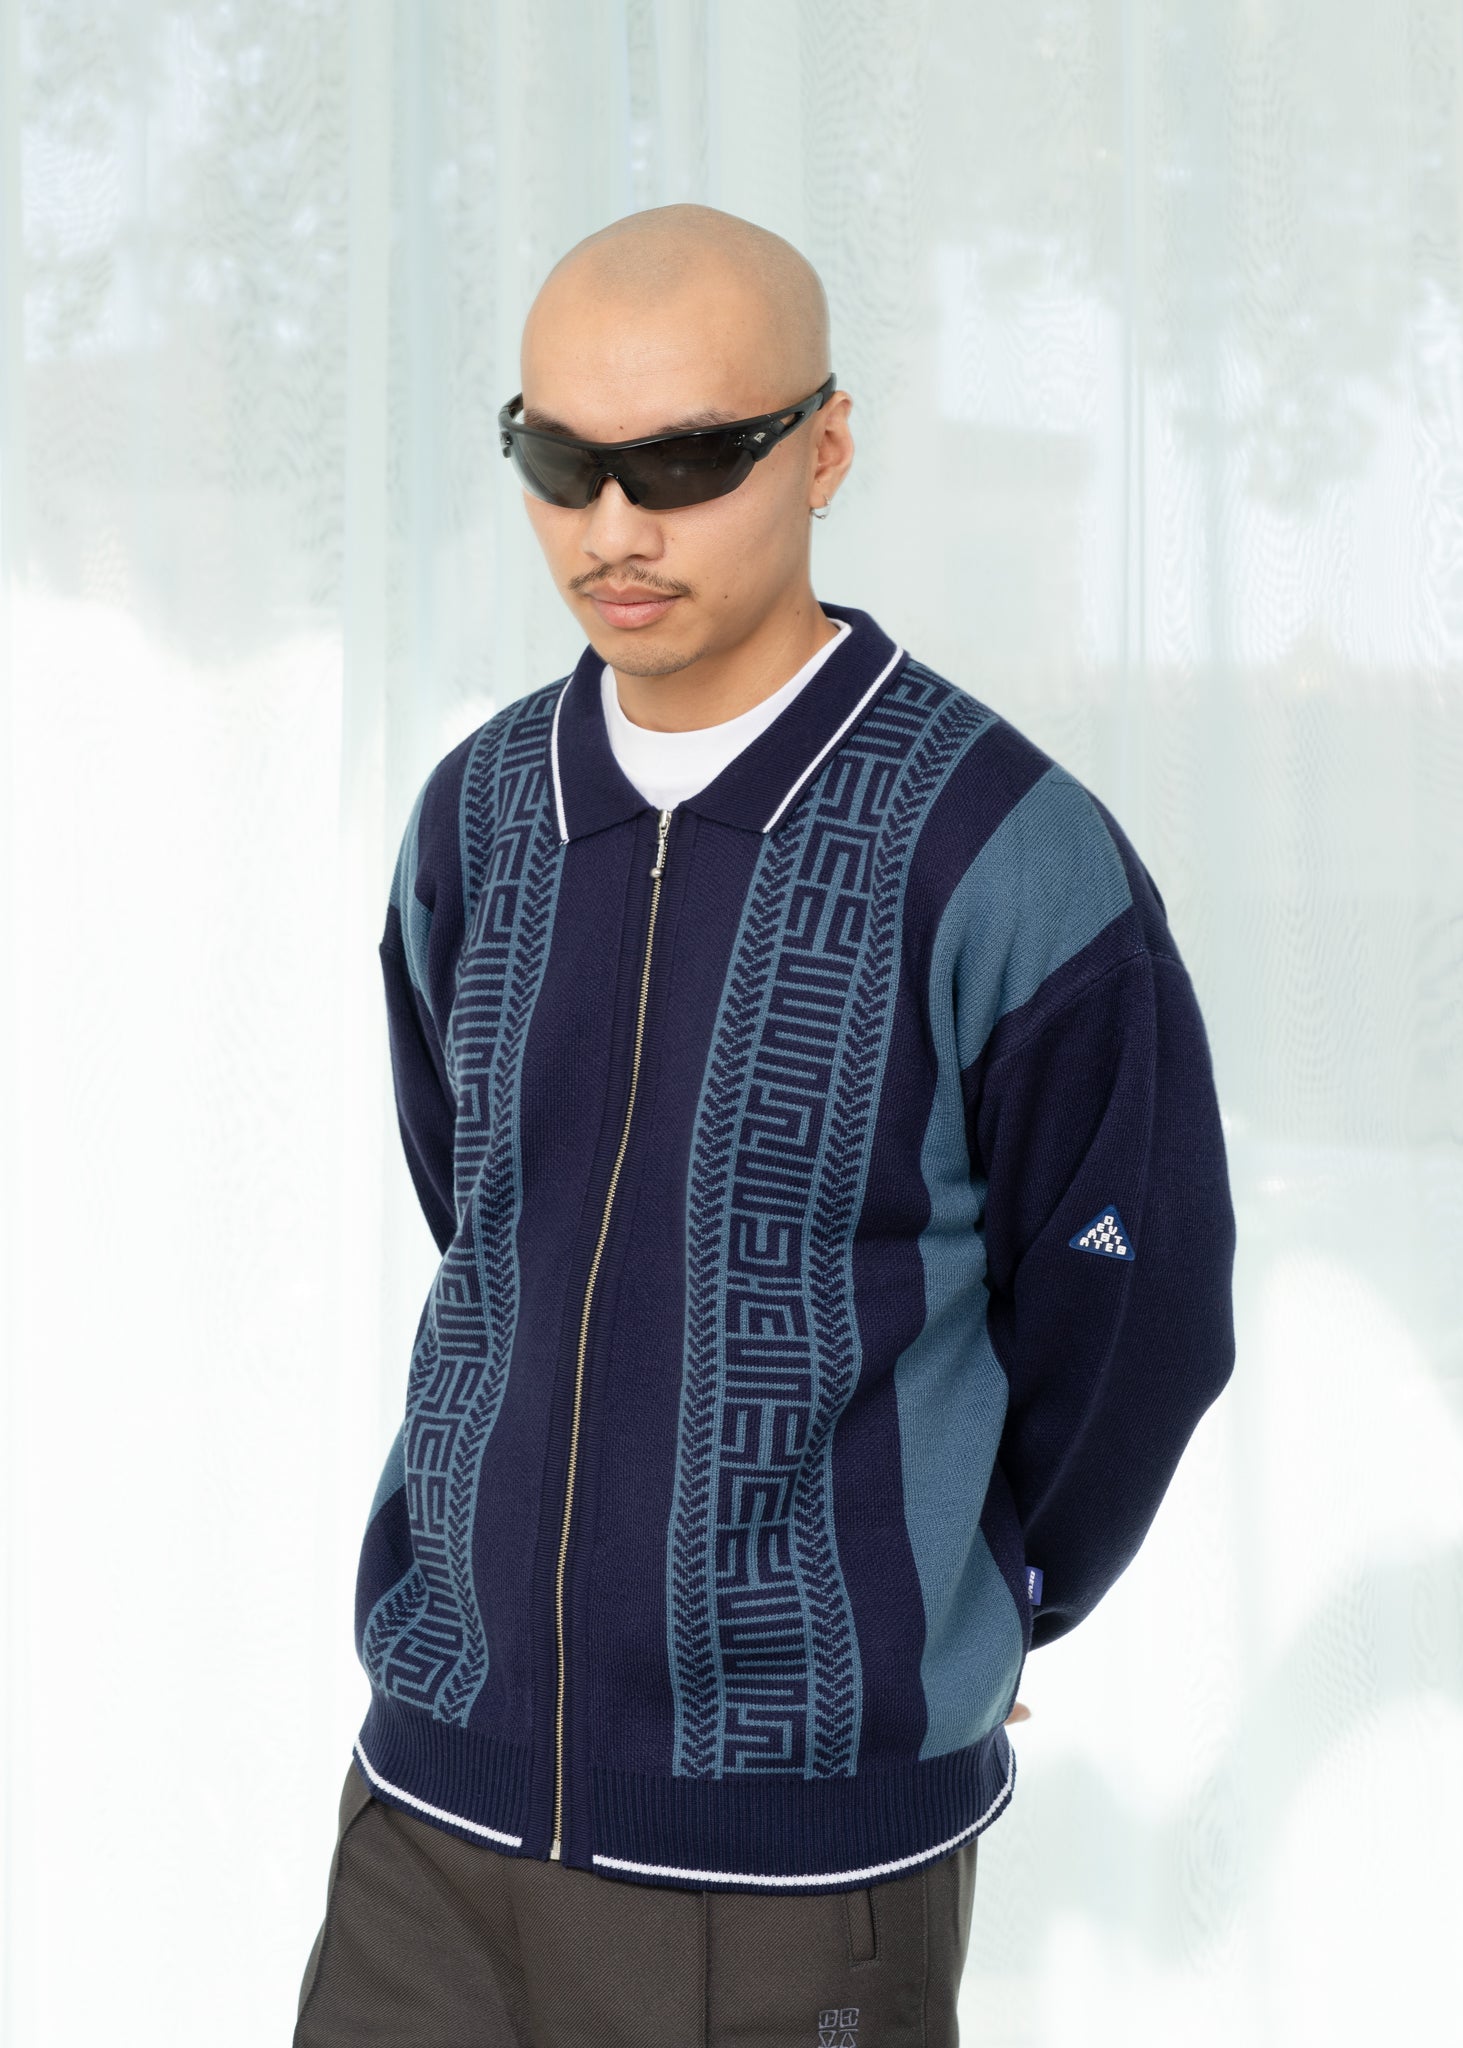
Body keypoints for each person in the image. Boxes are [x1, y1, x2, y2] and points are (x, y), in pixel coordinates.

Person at [293, 203, 1236, 2048]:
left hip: (798, 1867)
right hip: (429, 1819)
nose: (613, 528)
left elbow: (1137, 1314)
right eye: (559, 463)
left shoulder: (1005, 852)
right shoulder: (477, 815)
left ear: (825, 445)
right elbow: (485, 1212)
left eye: (685, 461)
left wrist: (981, 1597)